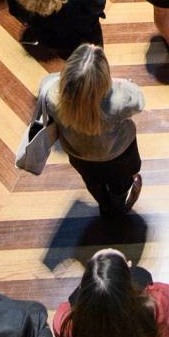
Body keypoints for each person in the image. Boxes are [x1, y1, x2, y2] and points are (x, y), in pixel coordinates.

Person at [33, 43, 144, 216]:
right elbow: (139, 101)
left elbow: (51, 82)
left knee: (92, 182)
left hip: (79, 155)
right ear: (104, 79)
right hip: (118, 154)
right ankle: (118, 206)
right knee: (120, 184)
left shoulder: (49, 93)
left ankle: (104, 205)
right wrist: (121, 83)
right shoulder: (121, 100)